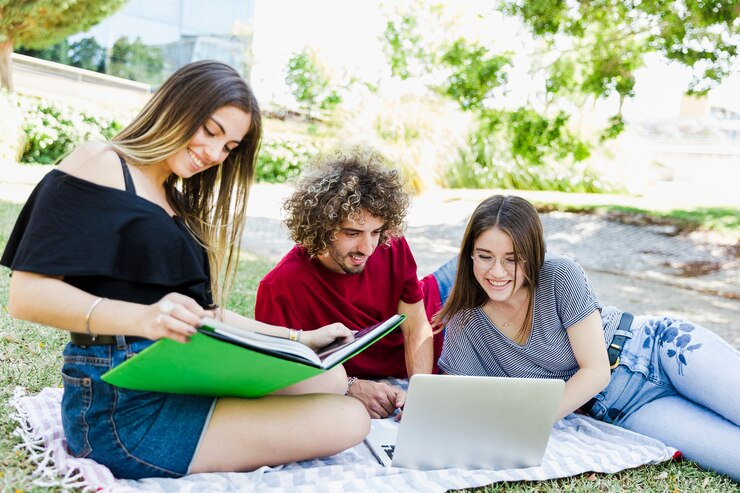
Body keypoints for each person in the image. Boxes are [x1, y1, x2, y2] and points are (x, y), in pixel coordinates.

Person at [1, 61, 370, 480]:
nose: (214, 154)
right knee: (349, 419)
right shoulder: (102, 162)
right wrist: (143, 317)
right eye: (211, 131)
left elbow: (205, 316)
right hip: (124, 403)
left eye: (229, 147)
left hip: (186, 371)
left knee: (330, 376)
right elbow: (27, 296)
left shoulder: (178, 204)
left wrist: (301, 339)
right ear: (176, 105)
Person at [434, 194, 740, 480]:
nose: (497, 271)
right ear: (470, 255)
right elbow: (464, 398)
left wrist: (528, 424)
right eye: (485, 256)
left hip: (663, 348)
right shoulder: (464, 325)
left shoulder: (558, 275)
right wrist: (421, 400)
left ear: (532, 255)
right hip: (627, 408)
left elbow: (594, 371)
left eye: (512, 259)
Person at [254, 150, 456, 418]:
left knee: (514, 260)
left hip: (438, 314)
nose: (368, 247)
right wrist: (349, 386)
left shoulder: (390, 244)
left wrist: (418, 393)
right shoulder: (280, 287)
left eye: (375, 232)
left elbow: (416, 324)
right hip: (389, 367)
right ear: (322, 227)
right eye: (352, 233)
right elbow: (281, 377)